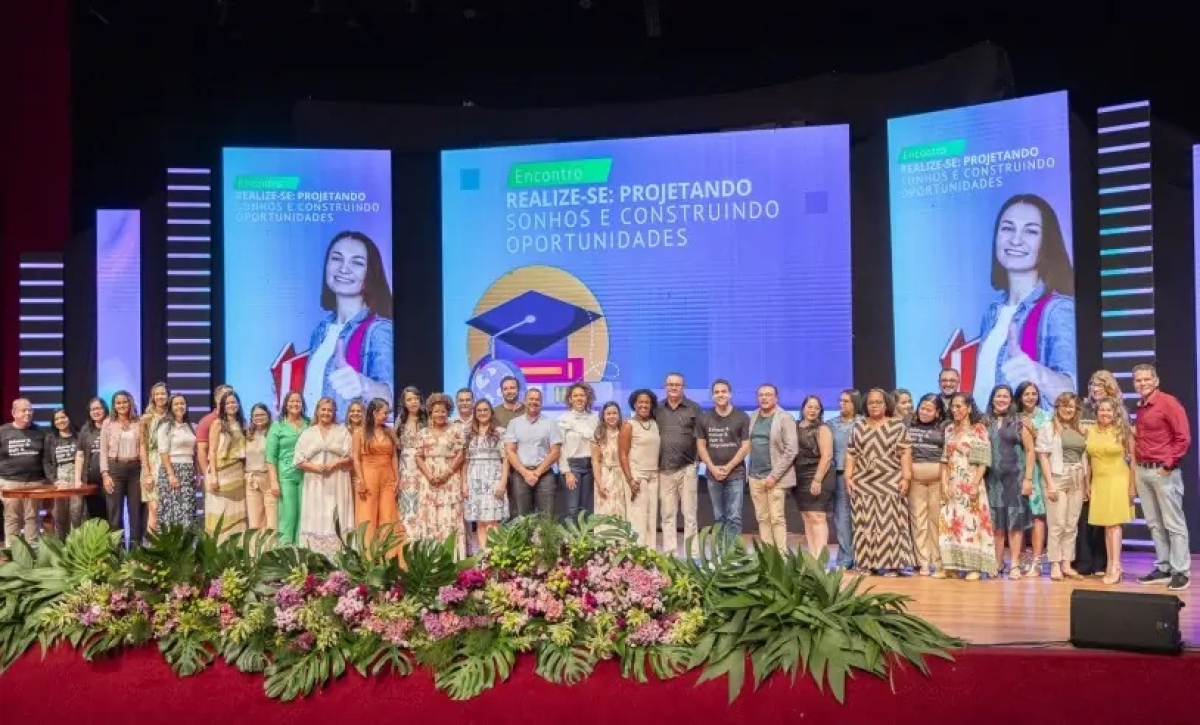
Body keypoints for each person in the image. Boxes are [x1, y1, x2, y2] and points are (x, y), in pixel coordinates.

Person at [972, 193, 1076, 406]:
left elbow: (1070, 393)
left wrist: (1038, 374)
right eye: (1007, 228)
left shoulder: (1058, 310)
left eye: (1030, 231)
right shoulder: (992, 312)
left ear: (1046, 242)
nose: (1015, 239)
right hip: (990, 433)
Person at [304, 231, 395, 416]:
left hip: (349, 438)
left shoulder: (379, 330)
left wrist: (364, 385)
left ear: (371, 273)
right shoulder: (320, 331)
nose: (344, 268)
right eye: (336, 259)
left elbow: (390, 397)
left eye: (357, 262)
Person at [1131, 364, 1192, 592]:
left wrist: (1168, 466)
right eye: (1138, 380)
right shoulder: (1141, 407)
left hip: (1163, 471)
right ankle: (1164, 567)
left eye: (1146, 379)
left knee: (1173, 523)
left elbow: (1183, 438)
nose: (1142, 383)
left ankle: (1181, 571)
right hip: (1143, 471)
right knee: (1155, 524)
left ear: (1156, 381)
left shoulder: (1168, 403)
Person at [843, 389, 915, 575]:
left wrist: (906, 478)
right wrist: (848, 477)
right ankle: (867, 563)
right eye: (871, 403)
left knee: (890, 524)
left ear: (886, 404)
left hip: (890, 480)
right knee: (864, 524)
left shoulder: (897, 426)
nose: (874, 405)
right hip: (863, 482)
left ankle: (892, 565)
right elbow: (851, 453)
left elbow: (905, 453)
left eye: (878, 402)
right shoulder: (858, 427)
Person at [936, 393, 997, 580]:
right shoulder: (949, 431)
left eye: (959, 406)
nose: (955, 410)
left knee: (971, 524)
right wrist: (944, 483)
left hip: (970, 482)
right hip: (952, 482)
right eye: (953, 407)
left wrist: (974, 484)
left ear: (969, 408)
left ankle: (974, 567)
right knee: (950, 522)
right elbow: (945, 460)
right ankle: (951, 567)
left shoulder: (978, 430)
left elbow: (983, 461)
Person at [984, 384, 1035, 579]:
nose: (1002, 399)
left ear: (1011, 400)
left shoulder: (1019, 422)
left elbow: (1030, 451)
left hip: (1015, 477)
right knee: (996, 524)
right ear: (992, 398)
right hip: (992, 480)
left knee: (1015, 523)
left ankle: (1014, 563)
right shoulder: (984, 421)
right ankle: (997, 562)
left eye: (1005, 396)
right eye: (998, 396)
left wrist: (1028, 479)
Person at [1035, 392, 1088, 581]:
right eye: (1064, 406)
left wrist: (1086, 483)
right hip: (1057, 477)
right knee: (1057, 523)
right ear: (1057, 407)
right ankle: (1055, 563)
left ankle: (1067, 563)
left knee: (1071, 524)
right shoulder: (1047, 427)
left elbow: (1083, 457)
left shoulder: (1080, 429)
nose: (1068, 409)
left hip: (1077, 477)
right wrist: (1050, 484)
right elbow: (1043, 456)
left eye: (1071, 406)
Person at [1084, 397, 1136, 585]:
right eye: (1101, 410)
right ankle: (1111, 565)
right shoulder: (1090, 431)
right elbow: (1088, 460)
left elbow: (1134, 460)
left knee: (1114, 526)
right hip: (1099, 481)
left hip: (1117, 480)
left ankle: (1115, 566)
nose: (1104, 413)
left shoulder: (1123, 431)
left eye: (1109, 410)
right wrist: (1087, 483)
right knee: (1107, 526)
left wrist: (1132, 486)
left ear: (1116, 413)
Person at [294, 396, 355, 554]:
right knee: (317, 514)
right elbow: (298, 461)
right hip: (315, 482)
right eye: (323, 409)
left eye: (329, 410)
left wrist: (335, 464)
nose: (326, 413)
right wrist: (315, 467)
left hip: (338, 481)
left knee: (336, 513)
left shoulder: (342, 432)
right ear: (317, 411)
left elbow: (351, 457)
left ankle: (340, 556)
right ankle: (316, 556)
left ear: (334, 412)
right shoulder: (308, 433)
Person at [696, 379, 750, 546]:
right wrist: (712, 468)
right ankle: (720, 555)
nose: (720, 395)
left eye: (724, 391)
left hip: (736, 474)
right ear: (712, 396)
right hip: (713, 475)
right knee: (719, 517)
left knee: (734, 517)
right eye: (717, 392)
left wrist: (728, 467)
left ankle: (733, 556)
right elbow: (701, 446)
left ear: (730, 394)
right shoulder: (704, 418)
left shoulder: (742, 416)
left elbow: (746, 446)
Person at [414, 393, 467, 559]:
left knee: (449, 517)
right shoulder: (422, 433)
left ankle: (452, 558)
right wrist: (429, 475)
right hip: (428, 480)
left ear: (448, 411)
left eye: (443, 411)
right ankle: (431, 559)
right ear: (430, 412)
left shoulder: (456, 430)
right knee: (430, 516)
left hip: (450, 479)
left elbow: (461, 454)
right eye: (436, 411)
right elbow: (418, 456)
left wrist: (447, 473)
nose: (440, 414)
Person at [746, 384, 798, 551]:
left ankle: (781, 558)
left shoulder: (785, 417)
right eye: (761, 395)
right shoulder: (753, 416)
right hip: (755, 476)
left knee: (776, 518)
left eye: (768, 395)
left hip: (775, 478)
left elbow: (791, 449)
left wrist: (774, 475)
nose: (764, 398)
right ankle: (768, 556)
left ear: (776, 398)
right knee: (762, 518)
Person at [655, 373, 701, 555]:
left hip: (687, 468)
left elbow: (701, 437)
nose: (674, 388)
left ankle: (693, 555)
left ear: (683, 387)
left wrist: (697, 462)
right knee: (667, 515)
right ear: (665, 387)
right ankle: (670, 554)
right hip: (664, 469)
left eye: (678, 385)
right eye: (670, 384)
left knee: (690, 515)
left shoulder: (694, 408)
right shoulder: (657, 409)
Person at [352, 398, 402, 557]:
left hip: (387, 476)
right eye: (384, 413)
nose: (386, 416)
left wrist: (397, 478)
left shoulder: (389, 431)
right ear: (374, 412)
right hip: (368, 476)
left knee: (388, 516)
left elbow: (394, 456)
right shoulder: (359, 432)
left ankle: (390, 556)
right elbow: (356, 458)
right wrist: (360, 480)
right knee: (368, 516)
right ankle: (368, 558)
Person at [503, 389, 560, 517]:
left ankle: (543, 538)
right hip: (520, 475)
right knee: (522, 518)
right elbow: (510, 451)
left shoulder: (550, 423)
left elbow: (555, 452)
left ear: (541, 403)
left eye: (537, 400)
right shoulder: (514, 423)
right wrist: (525, 473)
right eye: (531, 399)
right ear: (525, 401)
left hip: (545, 475)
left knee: (546, 518)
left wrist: (537, 473)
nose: (534, 402)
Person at [100, 391, 147, 546]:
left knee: (135, 511)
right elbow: (103, 451)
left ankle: (136, 549)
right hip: (115, 468)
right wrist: (105, 474)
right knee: (115, 512)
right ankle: (117, 550)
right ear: (114, 406)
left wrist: (146, 470)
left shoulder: (138, 422)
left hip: (135, 469)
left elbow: (142, 447)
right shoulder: (108, 423)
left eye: (124, 402)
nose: (122, 405)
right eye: (118, 403)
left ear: (130, 403)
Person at [906, 394, 946, 575]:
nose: (924, 412)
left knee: (935, 521)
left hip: (938, 479)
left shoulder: (945, 428)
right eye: (922, 408)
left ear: (937, 412)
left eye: (929, 410)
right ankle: (922, 562)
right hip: (915, 478)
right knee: (918, 520)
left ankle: (937, 561)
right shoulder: (908, 425)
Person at [463, 399, 508, 551]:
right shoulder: (468, 433)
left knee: (492, 520)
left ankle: (495, 554)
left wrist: (502, 482)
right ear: (475, 413)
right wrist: (464, 483)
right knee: (481, 521)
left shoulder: (500, 432)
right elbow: (465, 461)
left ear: (491, 412)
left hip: (493, 477)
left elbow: (505, 459)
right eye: (479, 410)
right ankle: (485, 555)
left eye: (485, 410)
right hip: (474, 479)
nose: (482, 413)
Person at [0, 399, 46, 546]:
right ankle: (12, 552)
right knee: (12, 518)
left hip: (35, 482)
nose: (28, 413)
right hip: (10, 482)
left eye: (30, 410)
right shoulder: (3, 431)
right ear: (14, 413)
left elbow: (46, 458)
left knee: (32, 518)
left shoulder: (39, 432)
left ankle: (32, 551)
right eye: (24, 410)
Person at [793, 395, 834, 558]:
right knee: (807, 516)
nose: (812, 410)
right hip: (799, 476)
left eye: (816, 408)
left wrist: (817, 480)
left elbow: (827, 456)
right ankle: (812, 556)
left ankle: (821, 559)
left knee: (817, 516)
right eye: (810, 407)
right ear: (803, 408)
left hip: (818, 474)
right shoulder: (794, 426)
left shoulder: (822, 429)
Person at [619, 390, 661, 547]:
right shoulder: (629, 426)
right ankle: (636, 555)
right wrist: (630, 480)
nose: (644, 405)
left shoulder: (655, 424)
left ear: (651, 405)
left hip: (654, 476)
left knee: (651, 517)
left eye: (647, 402)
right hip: (636, 476)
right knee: (638, 517)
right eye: (640, 402)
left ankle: (650, 553)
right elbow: (623, 455)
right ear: (634, 404)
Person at [266, 391, 308, 544]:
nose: (295, 404)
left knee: (304, 516)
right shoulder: (277, 427)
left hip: (307, 476)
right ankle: (286, 555)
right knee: (288, 516)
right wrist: (274, 482)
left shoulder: (309, 424)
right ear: (285, 404)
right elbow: (270, 457)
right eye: (292, 401)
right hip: (286, 477)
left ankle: (302, 557)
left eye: (298, 401)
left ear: (302, 404)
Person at [205, 390, 248, 540]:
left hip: (237, 474)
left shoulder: (242, 423)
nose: (231, 405)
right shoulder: (217, 424)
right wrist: (214, 476)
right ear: (222, 406)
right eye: (228, 403)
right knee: (220, 513)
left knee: (238, 514)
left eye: (234, 402)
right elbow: (212, 451)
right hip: (221, 474)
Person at [828, 389, 862, 568]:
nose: (842, 404)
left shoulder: (863, 423)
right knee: (842, 519)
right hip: (839, 476)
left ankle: (863, 557)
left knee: (861, 518)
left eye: (846, 401)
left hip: (862, 476)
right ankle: (845, 558)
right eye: (841, 401)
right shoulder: (831, 424)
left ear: (855, 403)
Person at [156, 394, 200, 529]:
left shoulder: (191, 426)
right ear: (171, 407)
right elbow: (163, 452)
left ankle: (188, 546)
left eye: (182, 404)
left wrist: (197, 474)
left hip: (188, 471)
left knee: (187, 509)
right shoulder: (166, 426)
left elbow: (195, 452)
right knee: (172, 510)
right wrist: (170, 475)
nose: (180, 406)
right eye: (176, 404)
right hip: (172, 470)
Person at [558, 382, 600, 520]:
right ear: (570, 399)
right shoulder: (564, 419)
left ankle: (584, 540)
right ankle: (571, 541)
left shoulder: (595, 417)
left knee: (586, 509)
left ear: (587, 397)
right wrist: (567, 472)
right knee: (572, 509)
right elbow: (560, 449)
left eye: (582, 395)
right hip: (572, 467)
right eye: (575, 395)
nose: (579, 398)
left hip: (590, 466)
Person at [43, 408, 83, 538]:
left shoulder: (79, 436)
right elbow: (47, 462)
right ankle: (61, 549)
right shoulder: (50, 439)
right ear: (54, 422)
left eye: (63, 417)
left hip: (76, 479)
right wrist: (54, 480)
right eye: (57, 419)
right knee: (59, 516)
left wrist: (80, 479)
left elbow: (84, 458)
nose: (60, 421)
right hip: (59, 479)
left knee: (76, 515)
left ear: (69, 418)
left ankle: (77, 549)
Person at [592, 402, 631, 522]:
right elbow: (595, 461)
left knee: (621, 509)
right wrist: (599, 483)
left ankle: (620, 540)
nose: (612, 416)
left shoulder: (625, 431)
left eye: (614, 413)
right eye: (608, 413)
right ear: (603, 416)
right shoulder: (598, 433)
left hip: (621, 475)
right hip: (605, 475)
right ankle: (604, 540)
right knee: (605, 509)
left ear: (619, 414)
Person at [244, 403, 277, 533]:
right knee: (254, 522)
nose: (259, 417)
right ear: (251, 418)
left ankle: (270, 551)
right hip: (251, 480)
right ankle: (254, 552)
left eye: (262, 414)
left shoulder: (273, 432)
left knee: (272, 521)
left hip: (268, 478)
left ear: (268, 415)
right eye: (256, 415)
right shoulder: (247, 434)